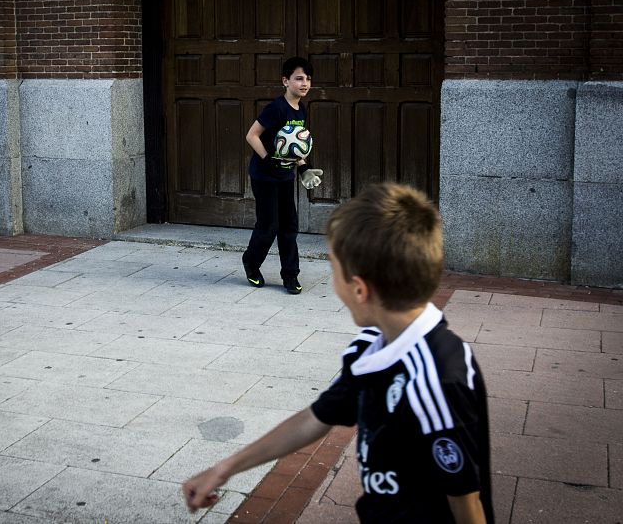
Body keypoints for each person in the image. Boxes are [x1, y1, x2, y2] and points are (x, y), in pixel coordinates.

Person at [184, 183, 493, 524]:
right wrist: (225, 468)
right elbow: (316, 418)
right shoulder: (372, 348)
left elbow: (468, 507)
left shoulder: (437, 380)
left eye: (334, 271)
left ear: (359, 289)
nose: (333, 284)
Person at [241, 56, 323, 295]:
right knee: (269, 226)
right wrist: (268, 160)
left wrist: (303, 168)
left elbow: (295, 145)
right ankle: (251, 263)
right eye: (299, 78)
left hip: (286, 177)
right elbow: (252, 135)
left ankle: (290, 276)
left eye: (308, 79)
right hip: (264, 176)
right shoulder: (276, 108)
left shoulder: (302, 109)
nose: (304, 83)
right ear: (286, 81)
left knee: (289, 226)